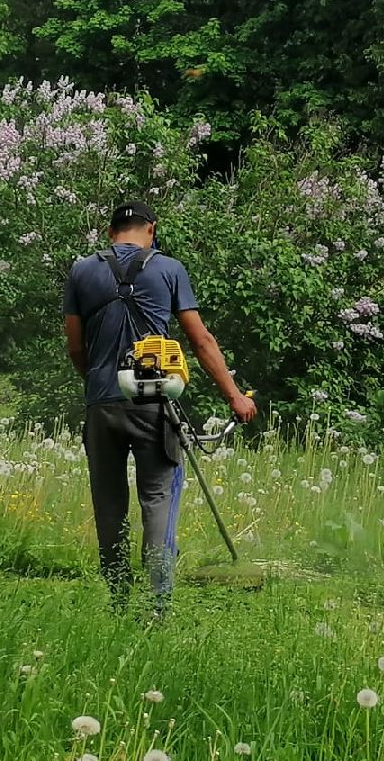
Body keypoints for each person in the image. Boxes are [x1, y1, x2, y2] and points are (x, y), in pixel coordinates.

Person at [63, 200, 257, 617]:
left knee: (109, 503)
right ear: (151, 229)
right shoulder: (169, 269)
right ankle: (157, 606)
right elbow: (200, 340)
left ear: (111, 230)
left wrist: (97, 384)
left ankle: (117, 599)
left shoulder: (81, 271)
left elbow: (75, 346)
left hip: (102, 404)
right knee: (157, 499)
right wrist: (235, 396)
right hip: (154, 404)